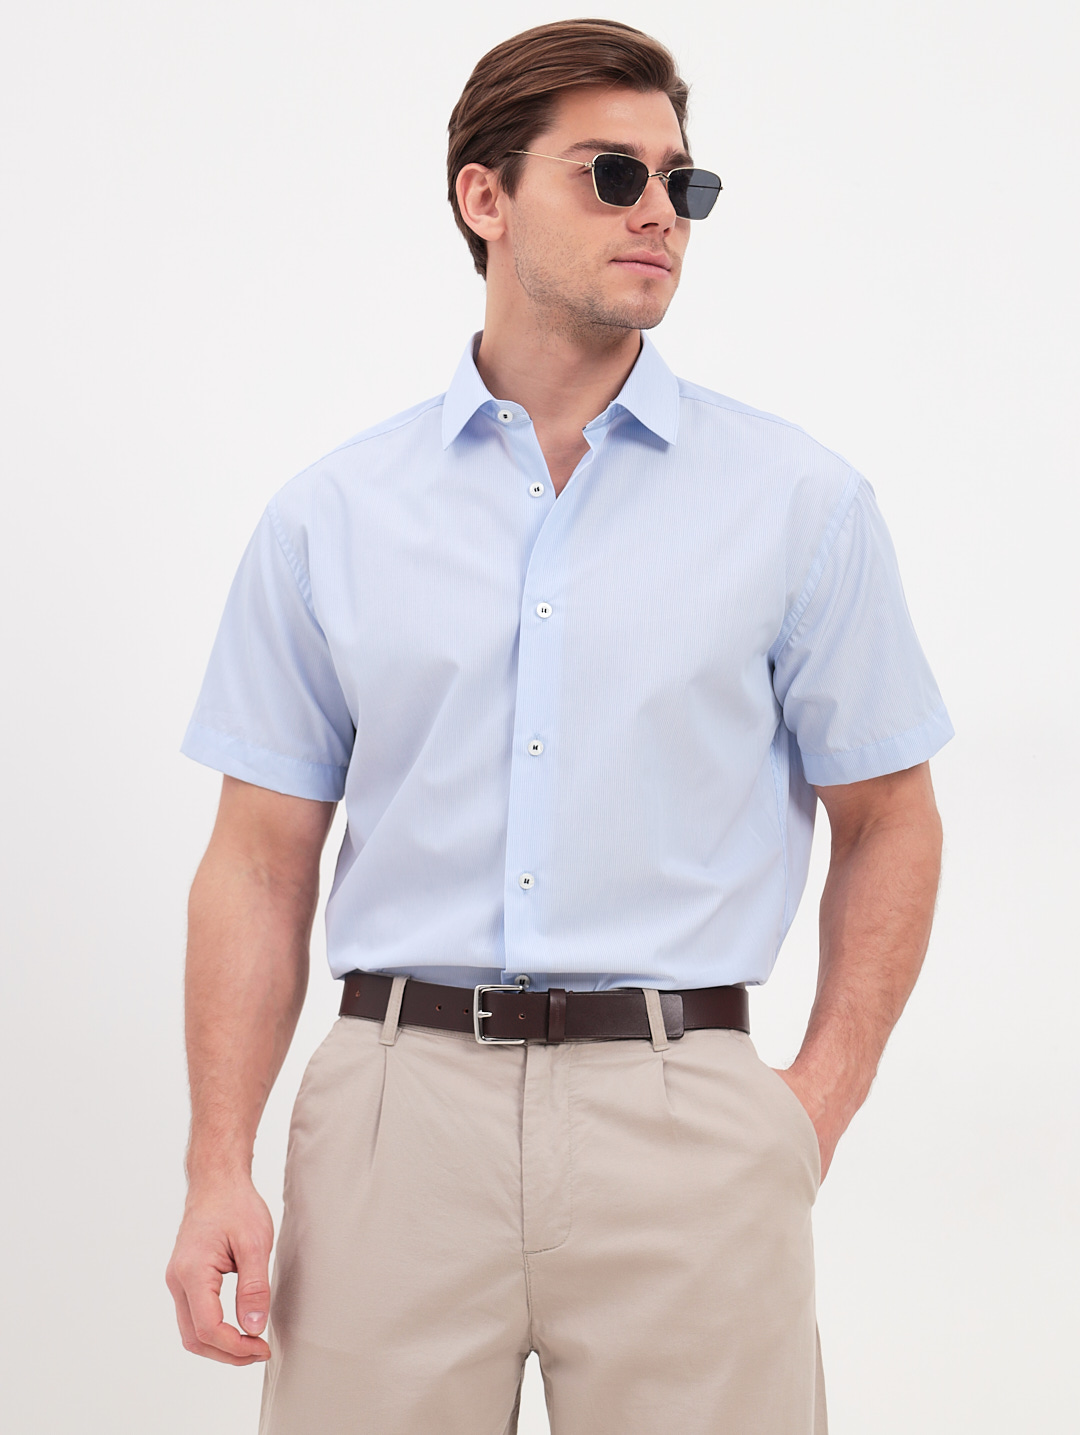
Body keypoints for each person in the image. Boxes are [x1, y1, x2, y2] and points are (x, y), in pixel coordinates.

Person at [165, 18, 952, 1434]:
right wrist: (218, 1162)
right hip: (394, 1125)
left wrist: (807, 1109)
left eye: (682, 182)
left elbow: (891, 816)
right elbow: (261, 861)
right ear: (486, 196)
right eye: (611, 174)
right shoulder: (332, 517)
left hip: (687, 1126)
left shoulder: (800, 506)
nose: (660, 212)